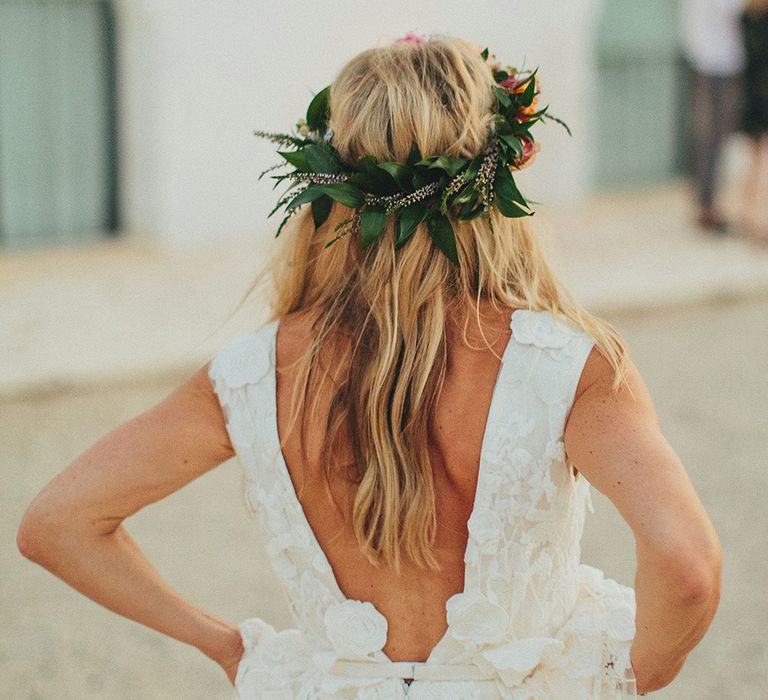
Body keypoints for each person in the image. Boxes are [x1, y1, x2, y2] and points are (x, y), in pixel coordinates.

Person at [17, 35, 722, 698]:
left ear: (329, 187)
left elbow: (58, 523)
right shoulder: (572, 367)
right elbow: (688, 569)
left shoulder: (252, 373)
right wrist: (624, 673)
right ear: (495, 180)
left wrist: (228, 647)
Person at [680, 0, 747, 233]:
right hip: (712, 61)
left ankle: (707, 201)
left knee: (715, 134)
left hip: (718, 59)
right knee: (710, 133)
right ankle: (705, 203)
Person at [739, 0, 768, 244]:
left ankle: (750, 216)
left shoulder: (744, 18)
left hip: (751, 97)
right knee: (761, 163)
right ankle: (758, 220)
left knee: (755, 162)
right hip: (760, 98)